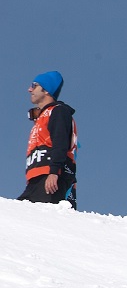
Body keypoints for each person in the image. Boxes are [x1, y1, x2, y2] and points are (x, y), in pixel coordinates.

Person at [20, 71, 78, 209]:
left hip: (52, 178)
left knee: (43, 221)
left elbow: (60, 142)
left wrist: (54, 172)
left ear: (46, 90)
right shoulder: (41, 118)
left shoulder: (58, 111)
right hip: (36, 180)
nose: (30, 89)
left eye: (34, 85)